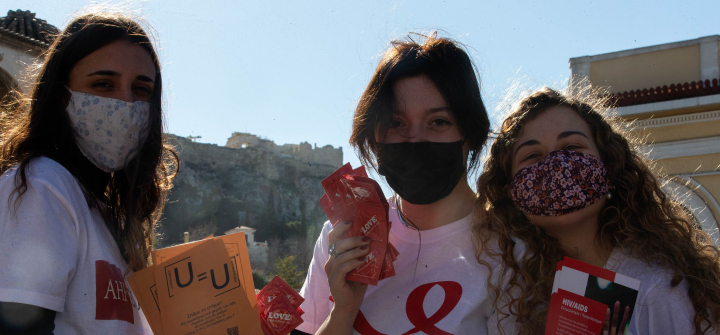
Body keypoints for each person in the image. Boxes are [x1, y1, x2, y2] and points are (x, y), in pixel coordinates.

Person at [295, 33, 500, 335]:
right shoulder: (342, 238)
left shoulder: (511, 249)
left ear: (470, 133)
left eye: (439, 121)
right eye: (396, 123)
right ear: (373, 136)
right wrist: (344, 311)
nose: (415, 139)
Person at [475, 87, 720, 335]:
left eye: (572, 147)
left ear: (610, 171)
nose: (556, 165)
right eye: (533, 155)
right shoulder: (513, 293)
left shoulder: (659, 289)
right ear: (511, 192)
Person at [0, 11, 177, 334]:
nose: (125, 102)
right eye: (103, 84)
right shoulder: (41, 188)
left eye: (141, 89)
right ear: (61, 94)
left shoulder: (104, 212)